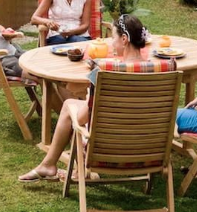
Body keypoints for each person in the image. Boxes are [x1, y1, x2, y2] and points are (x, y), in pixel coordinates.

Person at [18, 14, 149, 182]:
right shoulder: (163, 70)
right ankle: (58, 167)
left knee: (69, 106)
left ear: (124, 39)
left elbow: (81, 119)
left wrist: (87, 97)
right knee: (74, 104)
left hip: (108, 146)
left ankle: (50, 165)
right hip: (148, 146)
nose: (111, 42)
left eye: (113, 37)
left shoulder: (103, 71)